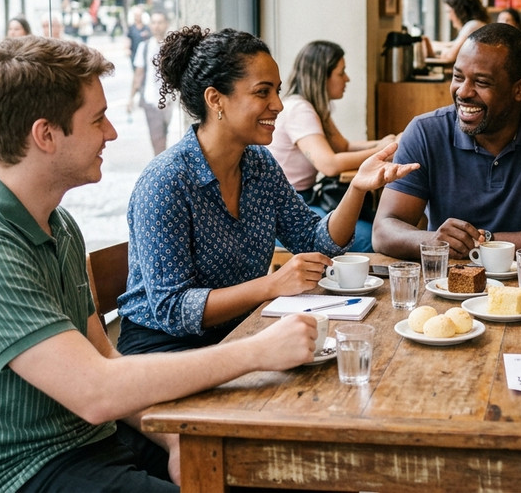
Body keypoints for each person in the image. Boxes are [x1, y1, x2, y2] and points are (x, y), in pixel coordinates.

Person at [0, 35, 324, 492]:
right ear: (45, 135)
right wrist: (258, 351)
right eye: (97, 119)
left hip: (92, 444)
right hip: (20, 474)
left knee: (270, 468)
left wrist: (172, 442)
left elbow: (105, 356)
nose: (111, 133)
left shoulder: (58, 224)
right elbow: (96, 390)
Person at [116, 26, 417, 354]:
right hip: (166, 347)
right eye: (263, 92)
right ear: (215, 99)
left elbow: (316, 241)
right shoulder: (165, 183)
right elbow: (173, 309)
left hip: (244, 330)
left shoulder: (260, 164)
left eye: (277, 91)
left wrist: (357, 187)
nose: (278, 105)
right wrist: (272, 285)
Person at [373, 22, 521, 261]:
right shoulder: (425, 132)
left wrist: (484, 242)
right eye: (458, 77)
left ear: (519, 88)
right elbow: (383, 231)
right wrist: (431, 240)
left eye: (481, 82)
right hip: (448, 286)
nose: (463, 92)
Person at [267, 39, 397, 253]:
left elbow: (343, 146)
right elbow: (330, 165)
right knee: (374, 236)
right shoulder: (300, 109)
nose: (347, 79)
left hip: (303, 202)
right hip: (289, 213)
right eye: (341, 72)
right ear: (322, 76)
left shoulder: (313, 108)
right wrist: (385, 151)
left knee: (379, 224)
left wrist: (384, 142)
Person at [126, 11, 176, 155]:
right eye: (153, 23)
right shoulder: (145, 46)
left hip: (169, 100)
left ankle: (162, 164)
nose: (157, 26)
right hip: (151, 100)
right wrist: (131, 98)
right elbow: (138, 74)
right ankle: (161, 167)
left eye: (160, 22)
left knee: (163, 135)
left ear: (166, 24)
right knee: (157, 139)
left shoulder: (172, 47)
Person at [421, 0, 489, 64]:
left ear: (460, 10)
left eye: (449, 11)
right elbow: (452, 44)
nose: (449, 17)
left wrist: (440, 51)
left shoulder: (472, 25)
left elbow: (450, 57)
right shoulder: (477, 24)